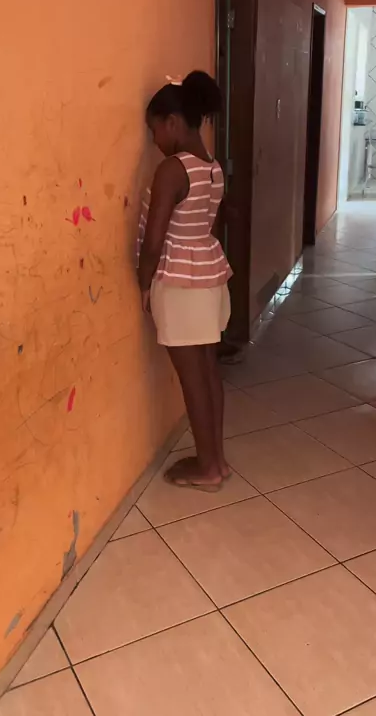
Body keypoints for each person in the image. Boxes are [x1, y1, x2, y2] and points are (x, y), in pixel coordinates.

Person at [137, 71, 232, 490]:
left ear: (173, 122)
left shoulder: (173, 170)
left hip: (179, 282)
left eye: (154, 129)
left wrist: (143, 283)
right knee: (208, 372)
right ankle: (216, 460)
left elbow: (154, 239)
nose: (154, 139)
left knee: (192, 379)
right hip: (209, 278)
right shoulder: (212, 167)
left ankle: (208, 468)